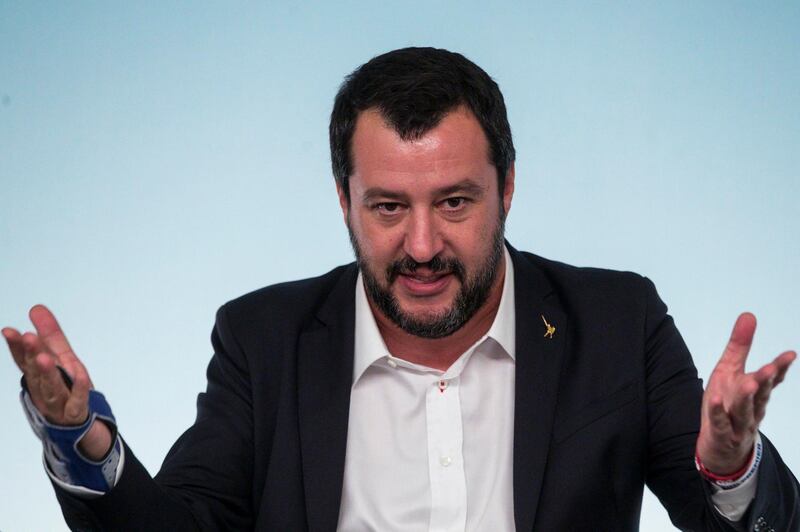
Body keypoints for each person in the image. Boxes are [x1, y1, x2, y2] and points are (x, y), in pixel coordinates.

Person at [4, 47, 799, 531]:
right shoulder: (264, 340)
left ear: (508, 188)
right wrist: (84, 437)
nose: (422, 247)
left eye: (454, 202)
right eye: (388, 207)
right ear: (343, 199)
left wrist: (730, 467)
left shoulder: (616, 322)